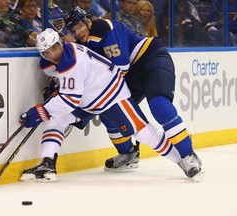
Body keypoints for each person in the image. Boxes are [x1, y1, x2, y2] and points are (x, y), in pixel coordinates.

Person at [19, 28, 183, 182]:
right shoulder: (56, 60)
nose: (53, 54)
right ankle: (47, 164)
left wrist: (39, 112)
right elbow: (63, 82)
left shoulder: (71, 61)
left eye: (54, 48)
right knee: (56, 120)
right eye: (47, 52)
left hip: (112, 95)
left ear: (60, 43)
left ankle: (181, 159)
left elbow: (70, 100)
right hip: (89, 99)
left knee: (142, 132)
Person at [64, 6, 203, 178]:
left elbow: (120, 69)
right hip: (128, 76)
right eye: (73, 30)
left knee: (159, 105)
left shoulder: (103, 27)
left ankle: (188, 155)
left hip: (150, 59)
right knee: (108, 112)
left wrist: (85, 111)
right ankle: (129, 154)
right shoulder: (81, 46)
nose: (78, 32)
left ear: (89, 22)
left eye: (80, 26)